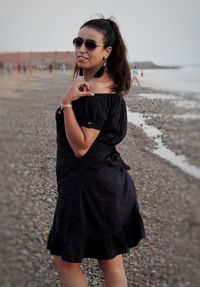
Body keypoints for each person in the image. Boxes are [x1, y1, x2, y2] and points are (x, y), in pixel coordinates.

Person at [47, 17, 145, 287]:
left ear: (107, 51)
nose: (81, 49)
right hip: (108, 183)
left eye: (90, 44)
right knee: (109, 259)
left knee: (65, 261)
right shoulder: (109, 85)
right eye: (78, 42)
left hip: (87, 187)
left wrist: (67, 104)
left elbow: (80, 147)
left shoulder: (94, 93)